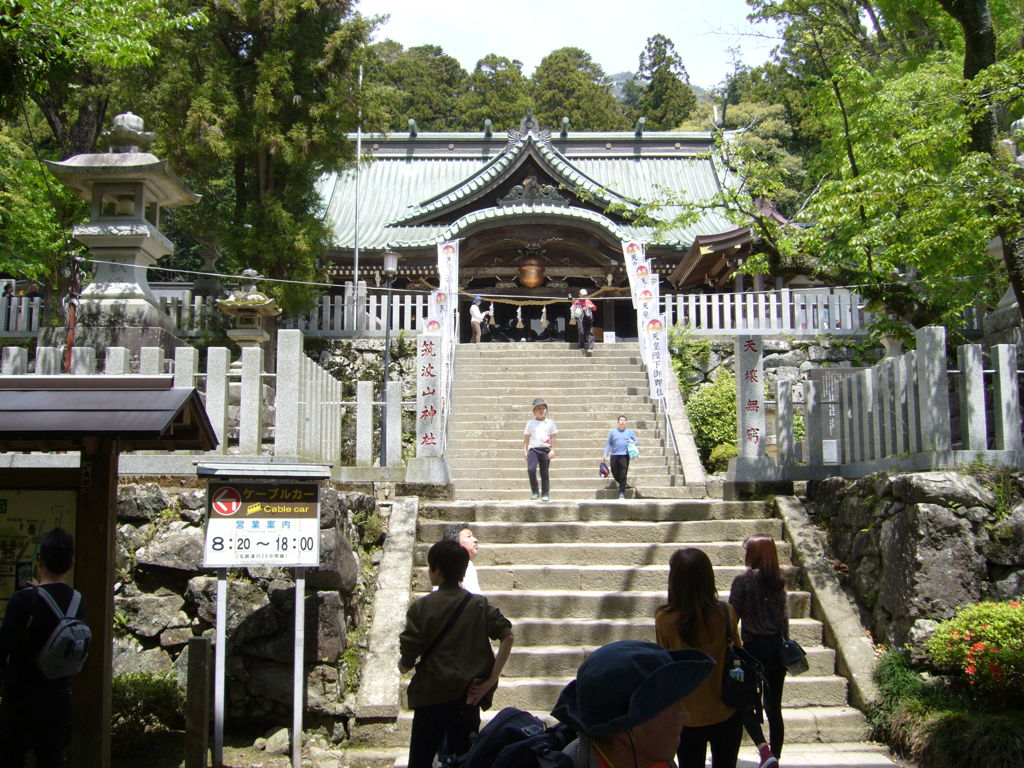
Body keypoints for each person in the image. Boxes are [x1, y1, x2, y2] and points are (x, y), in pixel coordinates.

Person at [400, 539, 514, 768]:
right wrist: (491, 679)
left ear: (437, 570)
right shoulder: (479, 605)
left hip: (430, 699)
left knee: (421, 760)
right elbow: (508, 636)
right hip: (467, 699)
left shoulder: (422, 608)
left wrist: (404, 664)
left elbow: (410, 649)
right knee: (465, 760)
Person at [552, 640, 716, 768]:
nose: (685, 716)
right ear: (626, 728)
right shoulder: (575, 762)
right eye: (670, 707)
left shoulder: (657, 761)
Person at [0, 528, 85, 768]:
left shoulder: (23, 600)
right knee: (50, 757)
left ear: (40, 561)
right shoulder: (78, 602)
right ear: (71, 563)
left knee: (11, 757)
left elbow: (4, 645)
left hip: (21, 695)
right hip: (58, 694)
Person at [655, 548, 743, 768]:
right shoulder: (725, 612)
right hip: (726, 709)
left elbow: (666, 665)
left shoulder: (665, 619)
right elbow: (739, 651)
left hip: (686, 716)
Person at [729, 535, 788, 768]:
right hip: (776, 646)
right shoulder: (779, 581)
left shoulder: (743, 582)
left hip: (752, 648)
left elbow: (732, 616)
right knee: (774, 707)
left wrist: (731, 645)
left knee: (743, 701)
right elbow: (784, 618)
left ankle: (764, 750)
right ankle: (777, 755)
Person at [523, 397, 558, 502]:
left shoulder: (550, 423)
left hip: (545, 450)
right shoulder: (530, 423)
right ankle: (534, 491)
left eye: (543, 408)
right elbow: (526, 437)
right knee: (531, 469)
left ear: (546, 410)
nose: (541, 410)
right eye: (538, 408)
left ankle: (545, 493)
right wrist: (524, 450)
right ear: (534, 411)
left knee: (544, 472)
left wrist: (553, 450)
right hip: (533, 449)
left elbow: (553, 436)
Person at [604, 415, 639, 499]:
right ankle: (623, 483)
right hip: (614, 455)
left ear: (626, 422)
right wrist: (605, 454)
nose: (622, 421)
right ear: (618, 422)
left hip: (624, 455)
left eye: (624, 420)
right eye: (620, 420)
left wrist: (633, 442)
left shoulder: (629, 432)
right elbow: (609, 443)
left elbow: (637, 441)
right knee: (614, 472)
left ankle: (622, 493)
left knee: (623, 474)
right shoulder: (613, 432)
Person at [441, 522, 481, 594]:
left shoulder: (445, 563)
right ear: (455, 542)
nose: (475, 540)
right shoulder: (464, 565)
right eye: (469, 536)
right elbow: (474, 598)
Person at [571, 289, 597, 353]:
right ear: (579, 295)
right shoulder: (577, 301)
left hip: (588, 318)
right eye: (583, 295)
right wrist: (580, 309)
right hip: (581, 318)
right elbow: (573, 309)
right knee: (581, 332)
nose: (584, 296)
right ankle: (581, 346)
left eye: (585, 295)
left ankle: (591, 348)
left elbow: (595, 308)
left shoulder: (588, 301)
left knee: (590, 332)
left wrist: (591, 306)